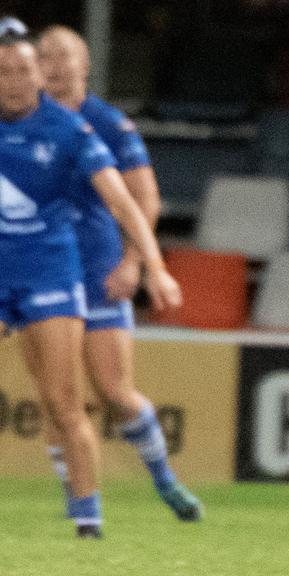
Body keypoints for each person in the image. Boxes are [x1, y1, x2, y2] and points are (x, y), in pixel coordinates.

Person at [0, 21, 181, 538]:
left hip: (51, 274)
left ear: (39, 74)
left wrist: (154, 267)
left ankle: (87, 517)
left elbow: (125, 203)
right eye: (3, 71)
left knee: (64, 400)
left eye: (23, 69)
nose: (13, 81)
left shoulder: (72, 132)